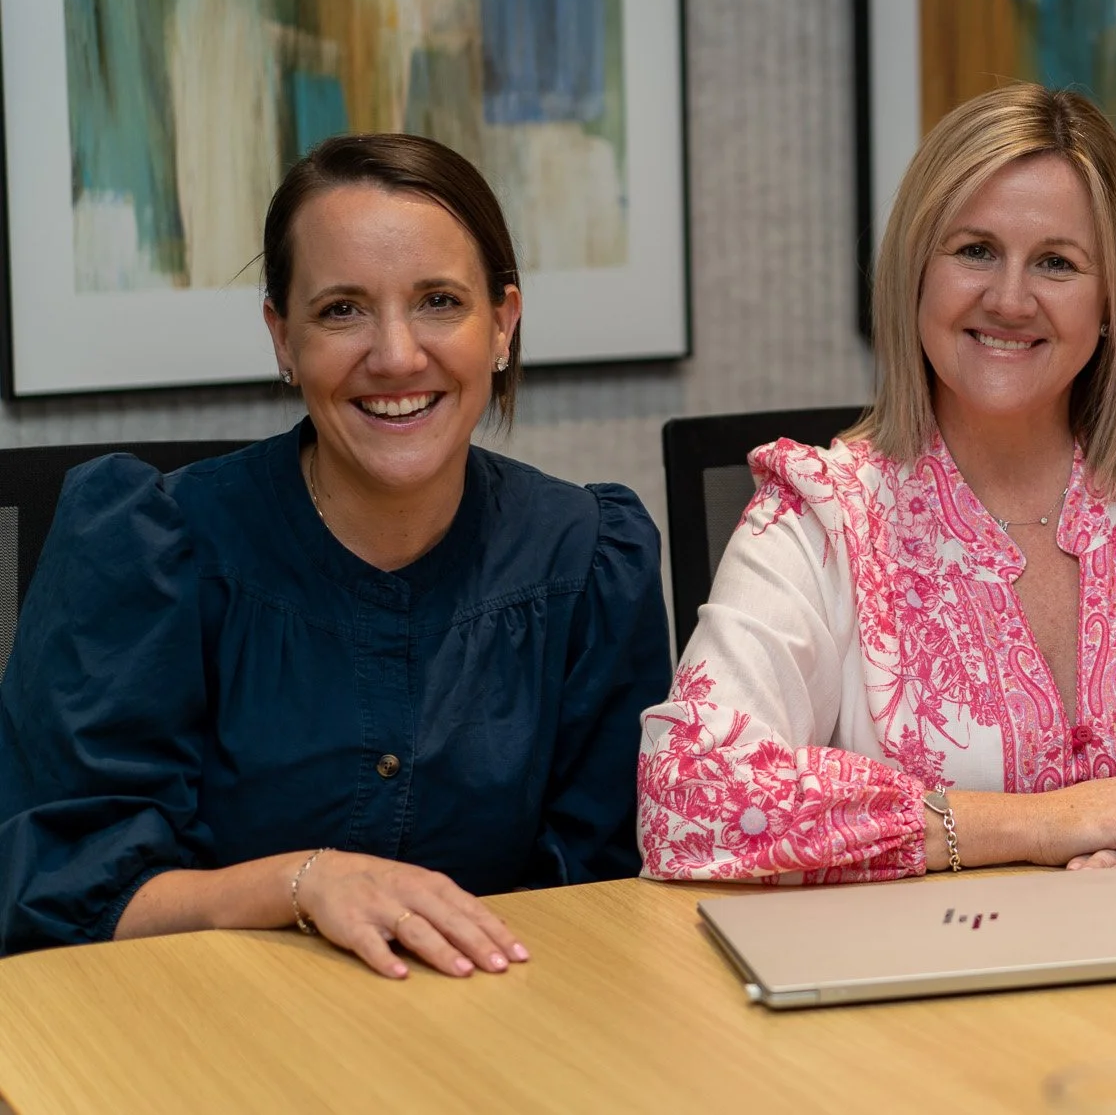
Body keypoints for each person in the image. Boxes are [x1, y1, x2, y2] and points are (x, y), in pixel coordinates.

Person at [639, 84, 1116, 882]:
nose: (1011, 299)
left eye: (1057, 262)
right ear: (915, 272)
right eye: (976, 250)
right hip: (943, 983)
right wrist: (1045, 821)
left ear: (1112, 301)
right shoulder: (820, 518)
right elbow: (688, 800)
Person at [0, 134, 672, 977]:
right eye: (342, 309)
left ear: (502, 323)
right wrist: (298, 883)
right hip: (193, 1035)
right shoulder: (149, 549)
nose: (395, 355)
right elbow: (53, 895)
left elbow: (607, 897)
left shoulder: (588, 559)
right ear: (283, 338)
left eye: (438, 300)